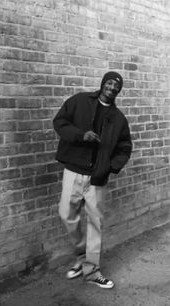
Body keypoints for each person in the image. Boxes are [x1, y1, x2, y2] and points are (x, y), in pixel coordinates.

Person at [53, 71, 132, 289]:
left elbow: (125, 147)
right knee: (67, 215)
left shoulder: (118, 118)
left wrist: (111, 167)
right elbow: (59, 121)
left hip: (98, 178)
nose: (113, 87)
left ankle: (92, 270)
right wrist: (80, 135)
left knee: (95, 223)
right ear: (103, 83)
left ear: (119, 90)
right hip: (73, 171)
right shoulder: (79, 101)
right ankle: (80, 257)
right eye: (110, 82)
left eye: (117, 85)